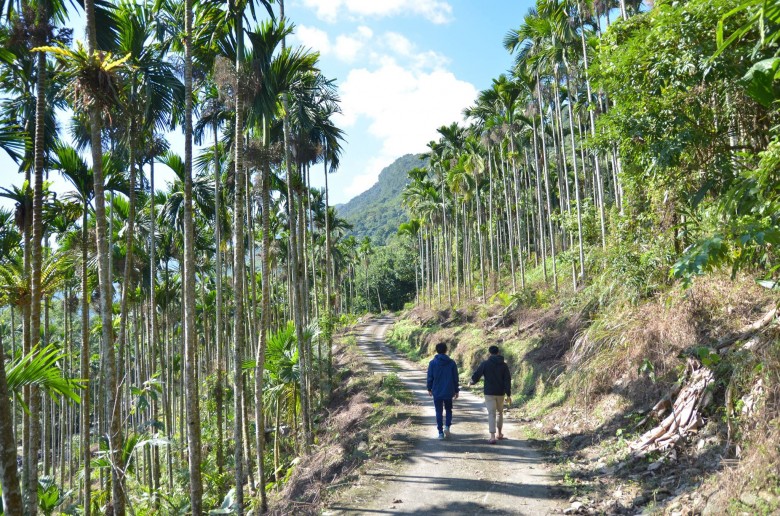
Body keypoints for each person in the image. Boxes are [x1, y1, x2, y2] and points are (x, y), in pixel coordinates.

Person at [470, 345, 512, 444]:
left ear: (490, 353)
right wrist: (508, 393)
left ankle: (492, 436)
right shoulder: (504, 365)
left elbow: (477, 374)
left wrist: (472, 382)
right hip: (500, 392)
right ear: (498, 352)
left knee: (491, 414)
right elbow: (507, 380)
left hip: (489, 392)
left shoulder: (485, 363)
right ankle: (500, 433)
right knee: (500, 412)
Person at [426, 342, 460, 439]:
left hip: (436, 391)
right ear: (446, 350)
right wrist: (456, 390)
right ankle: (447, 426)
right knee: (449, 409)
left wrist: (429, 388)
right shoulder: (452, 363)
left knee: (438, 411)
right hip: (449, 390)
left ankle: (440, 433)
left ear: (436, 350)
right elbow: (455, 378)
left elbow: (430, 377)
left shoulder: (432, 363)